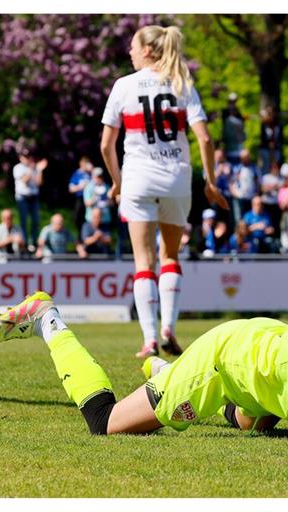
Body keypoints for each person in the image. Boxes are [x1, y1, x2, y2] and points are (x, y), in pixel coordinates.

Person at [0, 250, 288, 444]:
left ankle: (166, 376)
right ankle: (46, 317)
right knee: (106, 426)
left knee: (252, 424)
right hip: (229, 358)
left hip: (267, 365)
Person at [100, 24, 228, 359]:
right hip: (176, 180)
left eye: (132, 46)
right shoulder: (182, 82)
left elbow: (106, 145)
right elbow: (204, 138)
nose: (129, 52)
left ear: (146, 50)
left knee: (143, 262)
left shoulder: (123, 86)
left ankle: (149, 339)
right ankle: (169, 325)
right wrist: (211, 182)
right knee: (169, 256)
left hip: (138, 180)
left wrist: (117, 181)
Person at [13, 149, 47, 251]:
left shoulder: (35, 167)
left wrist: (40, 170)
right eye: (25, 157)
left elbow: (39, 183)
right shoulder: (18, 168)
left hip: (34, 197)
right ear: (21, 158)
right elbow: (25, 181)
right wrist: (32, 169)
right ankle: (24, 242)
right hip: (22, 197)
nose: (28, 159)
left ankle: (32, 242)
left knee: (35, 220)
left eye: (29, 157)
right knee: (24, 221)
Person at [68, 156, 93, 236]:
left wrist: (92, 171)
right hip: (80, 198)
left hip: (90, 199)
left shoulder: (90, 174)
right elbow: (71, 188)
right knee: (78, 218)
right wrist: (80, 187)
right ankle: (79, 236)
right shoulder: (77, 174)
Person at [221, 92, 246, 165]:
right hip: (228, 146)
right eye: (231, 101)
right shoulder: (225, 113)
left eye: (234, 101)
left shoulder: (238, 113)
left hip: (238, 146)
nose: (233, 104)